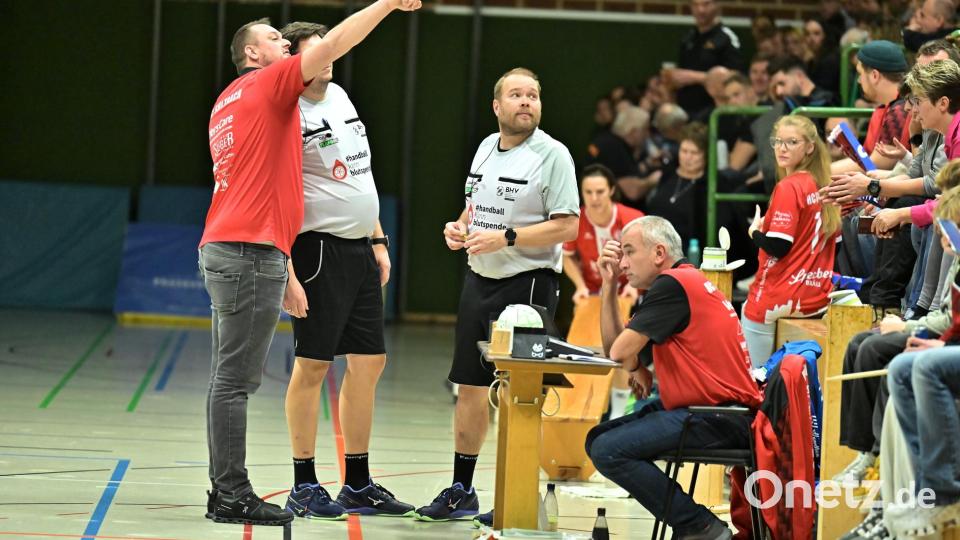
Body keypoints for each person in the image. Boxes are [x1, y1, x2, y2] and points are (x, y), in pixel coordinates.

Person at [200, 1, 419, 526]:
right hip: (256, 250)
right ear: (254, 54)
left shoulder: (228, 100)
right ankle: (234, 493)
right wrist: (387, 3)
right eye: (274, 39)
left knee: (232, 379)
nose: (283, 44)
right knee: (236, 381)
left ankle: (341, 482)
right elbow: (335, 43)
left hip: (244, 246)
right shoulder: (270, 86)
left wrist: (376, 235)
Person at [415, 67, 580, 523]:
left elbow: (568, 224)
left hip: (527, 282)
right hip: (478, 278)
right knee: (468, 387)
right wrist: (460, 228)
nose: (526, 102)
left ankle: (514, 494)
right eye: (516, 95)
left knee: (517, 391)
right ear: (497, 106)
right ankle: (461, 491)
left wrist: (506, 237)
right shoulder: (487, 147)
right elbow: (473, 208)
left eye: (533, 95)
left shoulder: (553, 155)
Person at [275, 22, 413, 520]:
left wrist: (377, 239)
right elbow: (278, 196)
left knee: (370, 362)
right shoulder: (286, 112)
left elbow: (360, 173)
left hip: (359, 250)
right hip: (316, 251)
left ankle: (357, 482)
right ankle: (304, 482)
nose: (330, 59)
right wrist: (287, 272)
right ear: (295, 60)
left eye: (332, 51)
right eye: (320, 52)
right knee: (313, 365)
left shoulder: (341, 98)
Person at [585, 216, 762, 540]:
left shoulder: (674, 284)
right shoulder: (682, 282)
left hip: (718, 417)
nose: (622, 263)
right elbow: (618, 350)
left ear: (658, 252)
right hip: (709, 412)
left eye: (628, 252)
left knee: (608, 449)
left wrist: (634, 365)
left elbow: (619, 351)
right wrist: (609, 287)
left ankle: (700, 526)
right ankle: (696, 524)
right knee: (597, 440)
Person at [741, 115, 840, 366]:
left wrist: (755, 232)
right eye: (777, 142)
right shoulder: (821, 183)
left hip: (780, 296)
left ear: (809, 147)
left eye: (792, 142)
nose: (782, 148)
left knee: (756, 379)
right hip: (815, 295)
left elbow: (779, 247)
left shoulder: (789, 186)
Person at [667, 0, 745, 120]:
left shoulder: (726, 38)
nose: (700, 10)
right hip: (685, 111)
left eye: (706, 4)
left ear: (717, 5)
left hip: (714, 111)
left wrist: (696, 77)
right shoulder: (688, 38)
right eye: (696, 5)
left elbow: (736, 78)